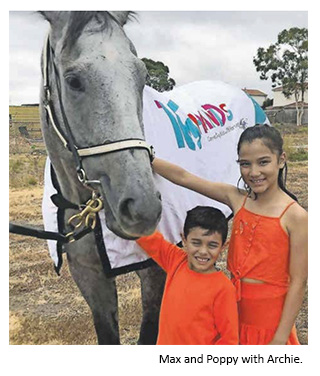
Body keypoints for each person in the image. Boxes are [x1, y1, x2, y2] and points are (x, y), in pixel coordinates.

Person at [151, 124, 307, 345]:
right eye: (245, 164)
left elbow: (299, 282)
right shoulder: (237, 198)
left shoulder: (296, 217)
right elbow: (185, 177)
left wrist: (280, 338)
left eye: (263, 162)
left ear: (281, 160)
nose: (254, 172)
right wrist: (146, 156)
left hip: (269, 327)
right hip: (232, 314)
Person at [136, 205, 239, 345]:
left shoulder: (224, 289)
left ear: (223, 247)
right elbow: (147, 238)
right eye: (196, 243)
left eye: (212, 245)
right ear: (184, 240)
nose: (203, 251)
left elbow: (229, 340)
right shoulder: (176, 260)